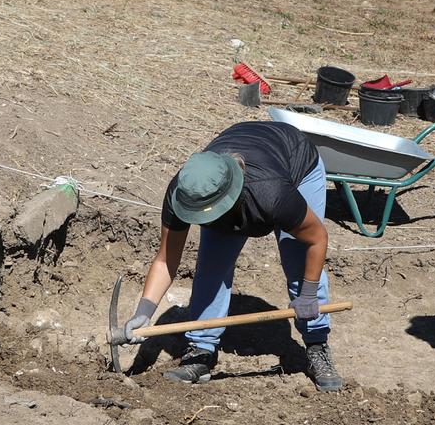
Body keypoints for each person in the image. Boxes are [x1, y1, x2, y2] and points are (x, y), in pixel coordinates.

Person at [130, 120, 341, 392]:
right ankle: (202, 348)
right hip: (246, 161)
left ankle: (316, 343)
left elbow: (317, 238)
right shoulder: (186, 191)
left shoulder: (272, 194)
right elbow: (166, 259)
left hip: (297, 163)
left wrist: (309, 294)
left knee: (298, 259)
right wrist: (143, 312)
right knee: (212, 266)